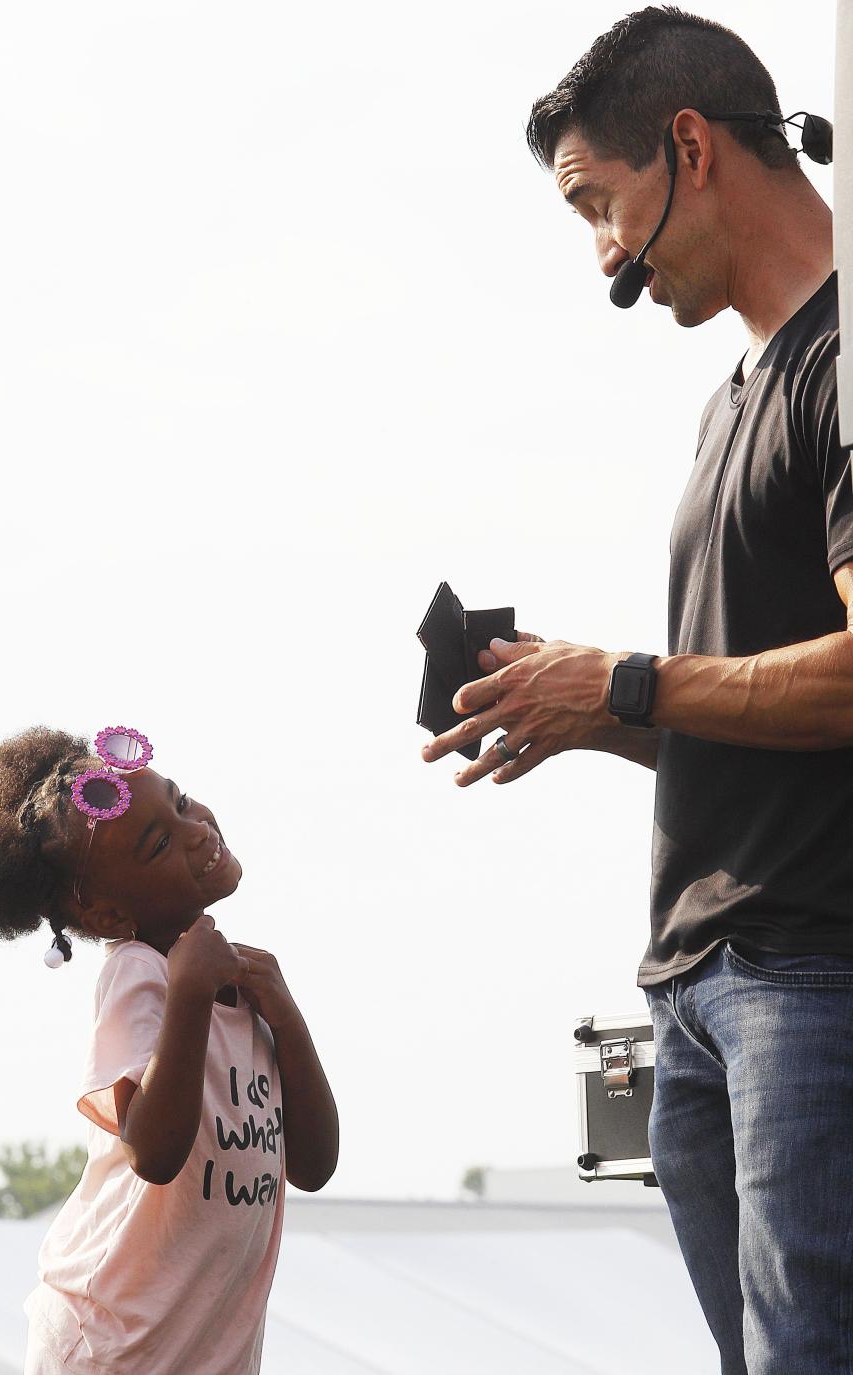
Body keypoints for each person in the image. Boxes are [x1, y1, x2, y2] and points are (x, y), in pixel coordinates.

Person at [422, 8, 853, 1373]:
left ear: (690, 147)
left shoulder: (843, 361)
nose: (603, 254)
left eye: (598, 206)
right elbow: (745, 713)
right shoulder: (733, 397)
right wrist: (595, 709)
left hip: (813, 975)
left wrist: (624, 678)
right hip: (702, 984)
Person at [0, 724, 338, 1375]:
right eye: (160, 843)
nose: (196, 827)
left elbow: (313, 1165)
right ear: (109, 916)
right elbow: (154, 1148)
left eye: (181, 801)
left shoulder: (239, 991)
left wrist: (286, 1017)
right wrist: (192, 990)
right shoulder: (140, 972)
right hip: (108, 1349)